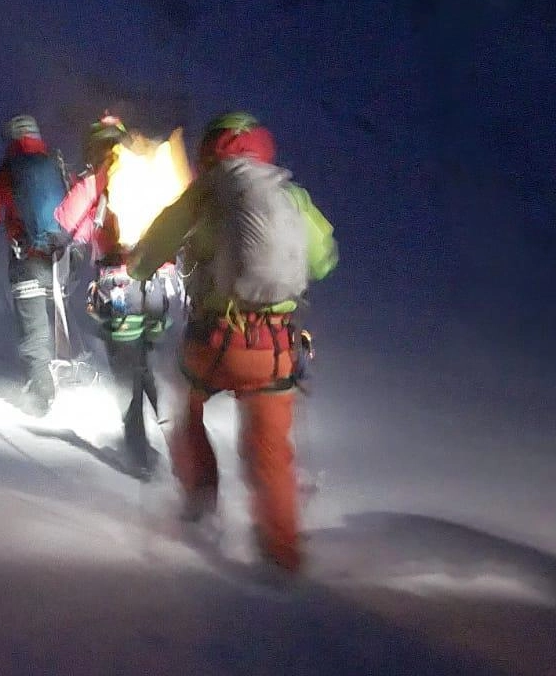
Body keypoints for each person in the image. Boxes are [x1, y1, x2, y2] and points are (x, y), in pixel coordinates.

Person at [127, 111, 339, 572]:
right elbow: (324, 260)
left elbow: (147, 255)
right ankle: (281, 558)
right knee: (271, 452)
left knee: (189, 406)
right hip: (276, 350)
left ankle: (200, 502)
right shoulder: (289, 194)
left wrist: (141, 265)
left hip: (214, 343)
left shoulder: (205, 193)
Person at [55, 112, 191, 479]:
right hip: (163, 287)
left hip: (121, 289)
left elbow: (67, 222)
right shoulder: (151, 172)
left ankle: (140, 454)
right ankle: (182, 447)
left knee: (126, 371)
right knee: (150, 361)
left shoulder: (100, 177)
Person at [0, 114, 68, 416]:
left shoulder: (6, 172)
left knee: (34, 324)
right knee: (59, 316)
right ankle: (71, 370)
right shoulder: (54, 164)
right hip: (61, 257)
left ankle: (41, 393)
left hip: (28, 259)